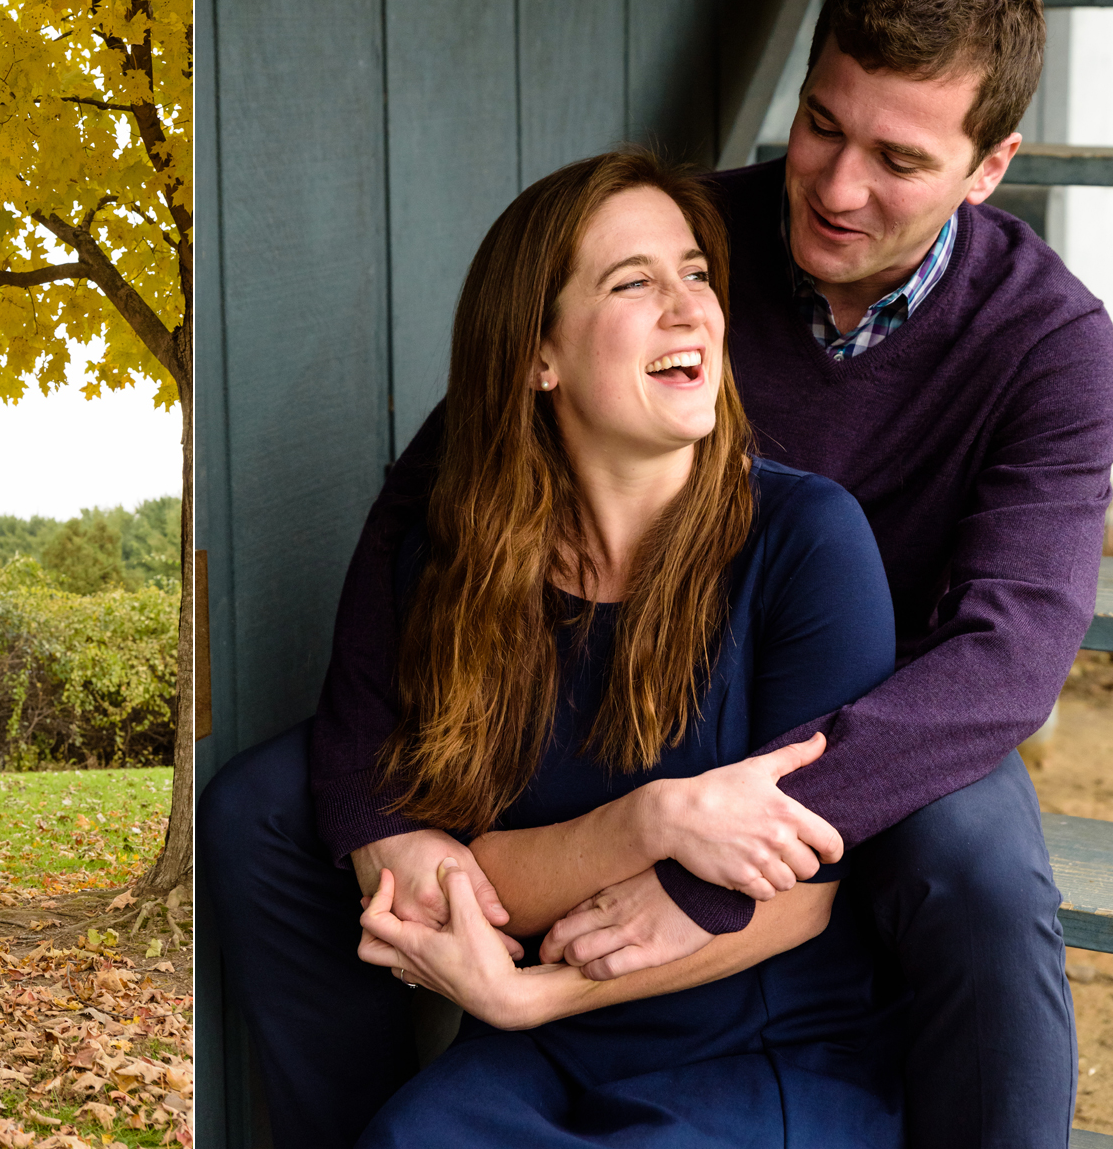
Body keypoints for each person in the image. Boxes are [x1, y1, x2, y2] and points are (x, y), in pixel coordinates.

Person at [201, 0, 1113, 1148]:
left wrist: (716, 857)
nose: (837, 188)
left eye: (898, 160)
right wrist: (387, 823)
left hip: (875, 725)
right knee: (277, 803)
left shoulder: (1047, 341)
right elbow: (447, 474)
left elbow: (1006, 658)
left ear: (986, 166)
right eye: (820, 127)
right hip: (643, 670)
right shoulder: (693, 245)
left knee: (978, 868)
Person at [345, 151, 901, 1143]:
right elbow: (475, 877)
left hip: (762, 1041)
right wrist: (654, 822)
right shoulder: (461, 564)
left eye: (693, 273)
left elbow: (800, 895)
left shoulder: (808, 541)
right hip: (534, 1057)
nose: (688, 308)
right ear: (536, 356)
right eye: (631, 282)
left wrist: (538, 995)